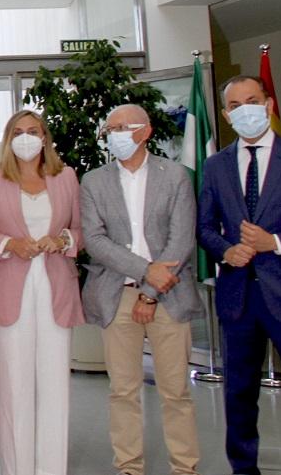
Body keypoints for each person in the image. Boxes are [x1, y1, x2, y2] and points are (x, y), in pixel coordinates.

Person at [80, 103, 204, 475]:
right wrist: (146, 271)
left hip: (169, 293)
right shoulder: (93, 181)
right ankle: (129, 467)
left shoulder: (176, 176)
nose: (114, 134)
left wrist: (151, 290)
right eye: (110, 127)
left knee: (175, 392)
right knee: (122, 391)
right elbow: (96, 241)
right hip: (117, 295)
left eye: (123, 126)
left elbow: (181, 240)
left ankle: (185, 467)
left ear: (145, 131)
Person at [198, 75, 281, 475]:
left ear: (269, 104)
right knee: (239, 395)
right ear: (226, 115)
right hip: (238, 299)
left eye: (253, 100)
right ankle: (243, 469)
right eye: (236, 105)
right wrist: (227, 250)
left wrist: (273, 242)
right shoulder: (216, 165)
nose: (246, 110)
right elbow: (205, 227)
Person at [0, 109, 83, 475]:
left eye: (32, 131)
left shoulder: (66, 176)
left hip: (55, 289)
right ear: (8, 139)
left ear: (44, 137)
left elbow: (80, 230)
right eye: (17, 131)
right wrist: (9, 244)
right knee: (13, 389)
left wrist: (63, 239)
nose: (25, 137)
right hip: (11, 291)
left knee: (55, 388)